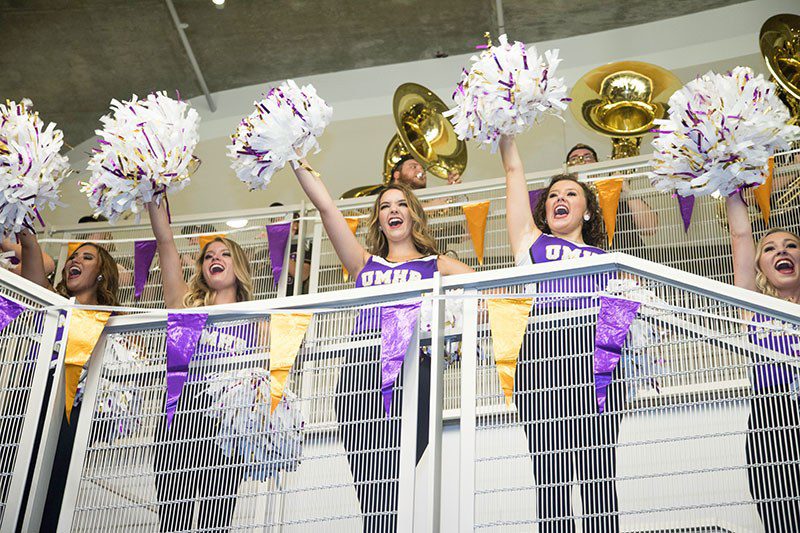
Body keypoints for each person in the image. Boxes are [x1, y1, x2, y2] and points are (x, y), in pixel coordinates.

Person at [292, 157, 472, 532]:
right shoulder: (363, 263)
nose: (393, 210)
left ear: (414, 214)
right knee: (370, 486)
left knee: (402, 475)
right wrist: (295, 159)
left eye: (401, 204)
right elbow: (327, 209)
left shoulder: (436, 264)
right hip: (361, 374)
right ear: (378, 219)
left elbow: (493, 287)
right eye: (385, 206)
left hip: (413, 372)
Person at [500, 135, 619, 531]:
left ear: (587, 211)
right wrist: (505, 130)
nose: (559, 199)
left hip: (596, 362)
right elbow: (514, 171)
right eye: (552, 196)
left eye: (570, 193)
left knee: (600, 475)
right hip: (542, 360)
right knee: (550, 480)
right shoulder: (531, 243)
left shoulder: (609, 260)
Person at [146, 199, 257, 532]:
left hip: (226, 425)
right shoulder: (184, 304)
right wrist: (154, 190)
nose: (215, 259)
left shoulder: (259, 318)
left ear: (238, 266)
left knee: (216, 520)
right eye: (208, 256)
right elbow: (165, 242)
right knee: (172, 520)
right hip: (178, 418)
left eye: (224, 254)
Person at [18, 228, 120, 531]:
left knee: (51, 492)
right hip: (28, 405)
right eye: (73, 257)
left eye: (87, 257)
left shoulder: (112, 322)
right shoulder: (52, 303)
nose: (74, 260)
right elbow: (31, 249)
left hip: (70, 415)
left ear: (102, 274)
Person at [726, 192, 800, 530]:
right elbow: (741, 236)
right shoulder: (753, 307)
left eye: (791, 245)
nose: (782, 251)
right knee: (781, 518)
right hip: (771, 419)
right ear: (759, 267)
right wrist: (729, 180)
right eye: (769, 248)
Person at [565, 144, 659, 260]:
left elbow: (649, 228)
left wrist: (625, 189)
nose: (581, 161)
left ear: (597, 164)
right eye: (574, 159)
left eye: (587, 157)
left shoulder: (615, 193)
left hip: (629, 264)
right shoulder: (564, 202)